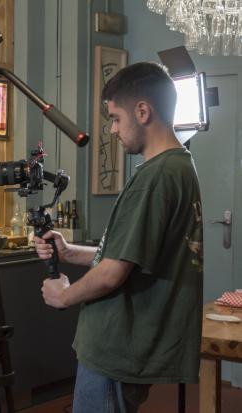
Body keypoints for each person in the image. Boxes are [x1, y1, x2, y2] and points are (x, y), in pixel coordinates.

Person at [36, 62, 203, 413]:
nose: (112, 129)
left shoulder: (156, 178)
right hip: (126, 346)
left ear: (142, 111)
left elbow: (113, 272)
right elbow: (130, 253)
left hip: (117, 348)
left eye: (115, 118)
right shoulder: (179, 166)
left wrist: (65, 296)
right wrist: (69, 252)